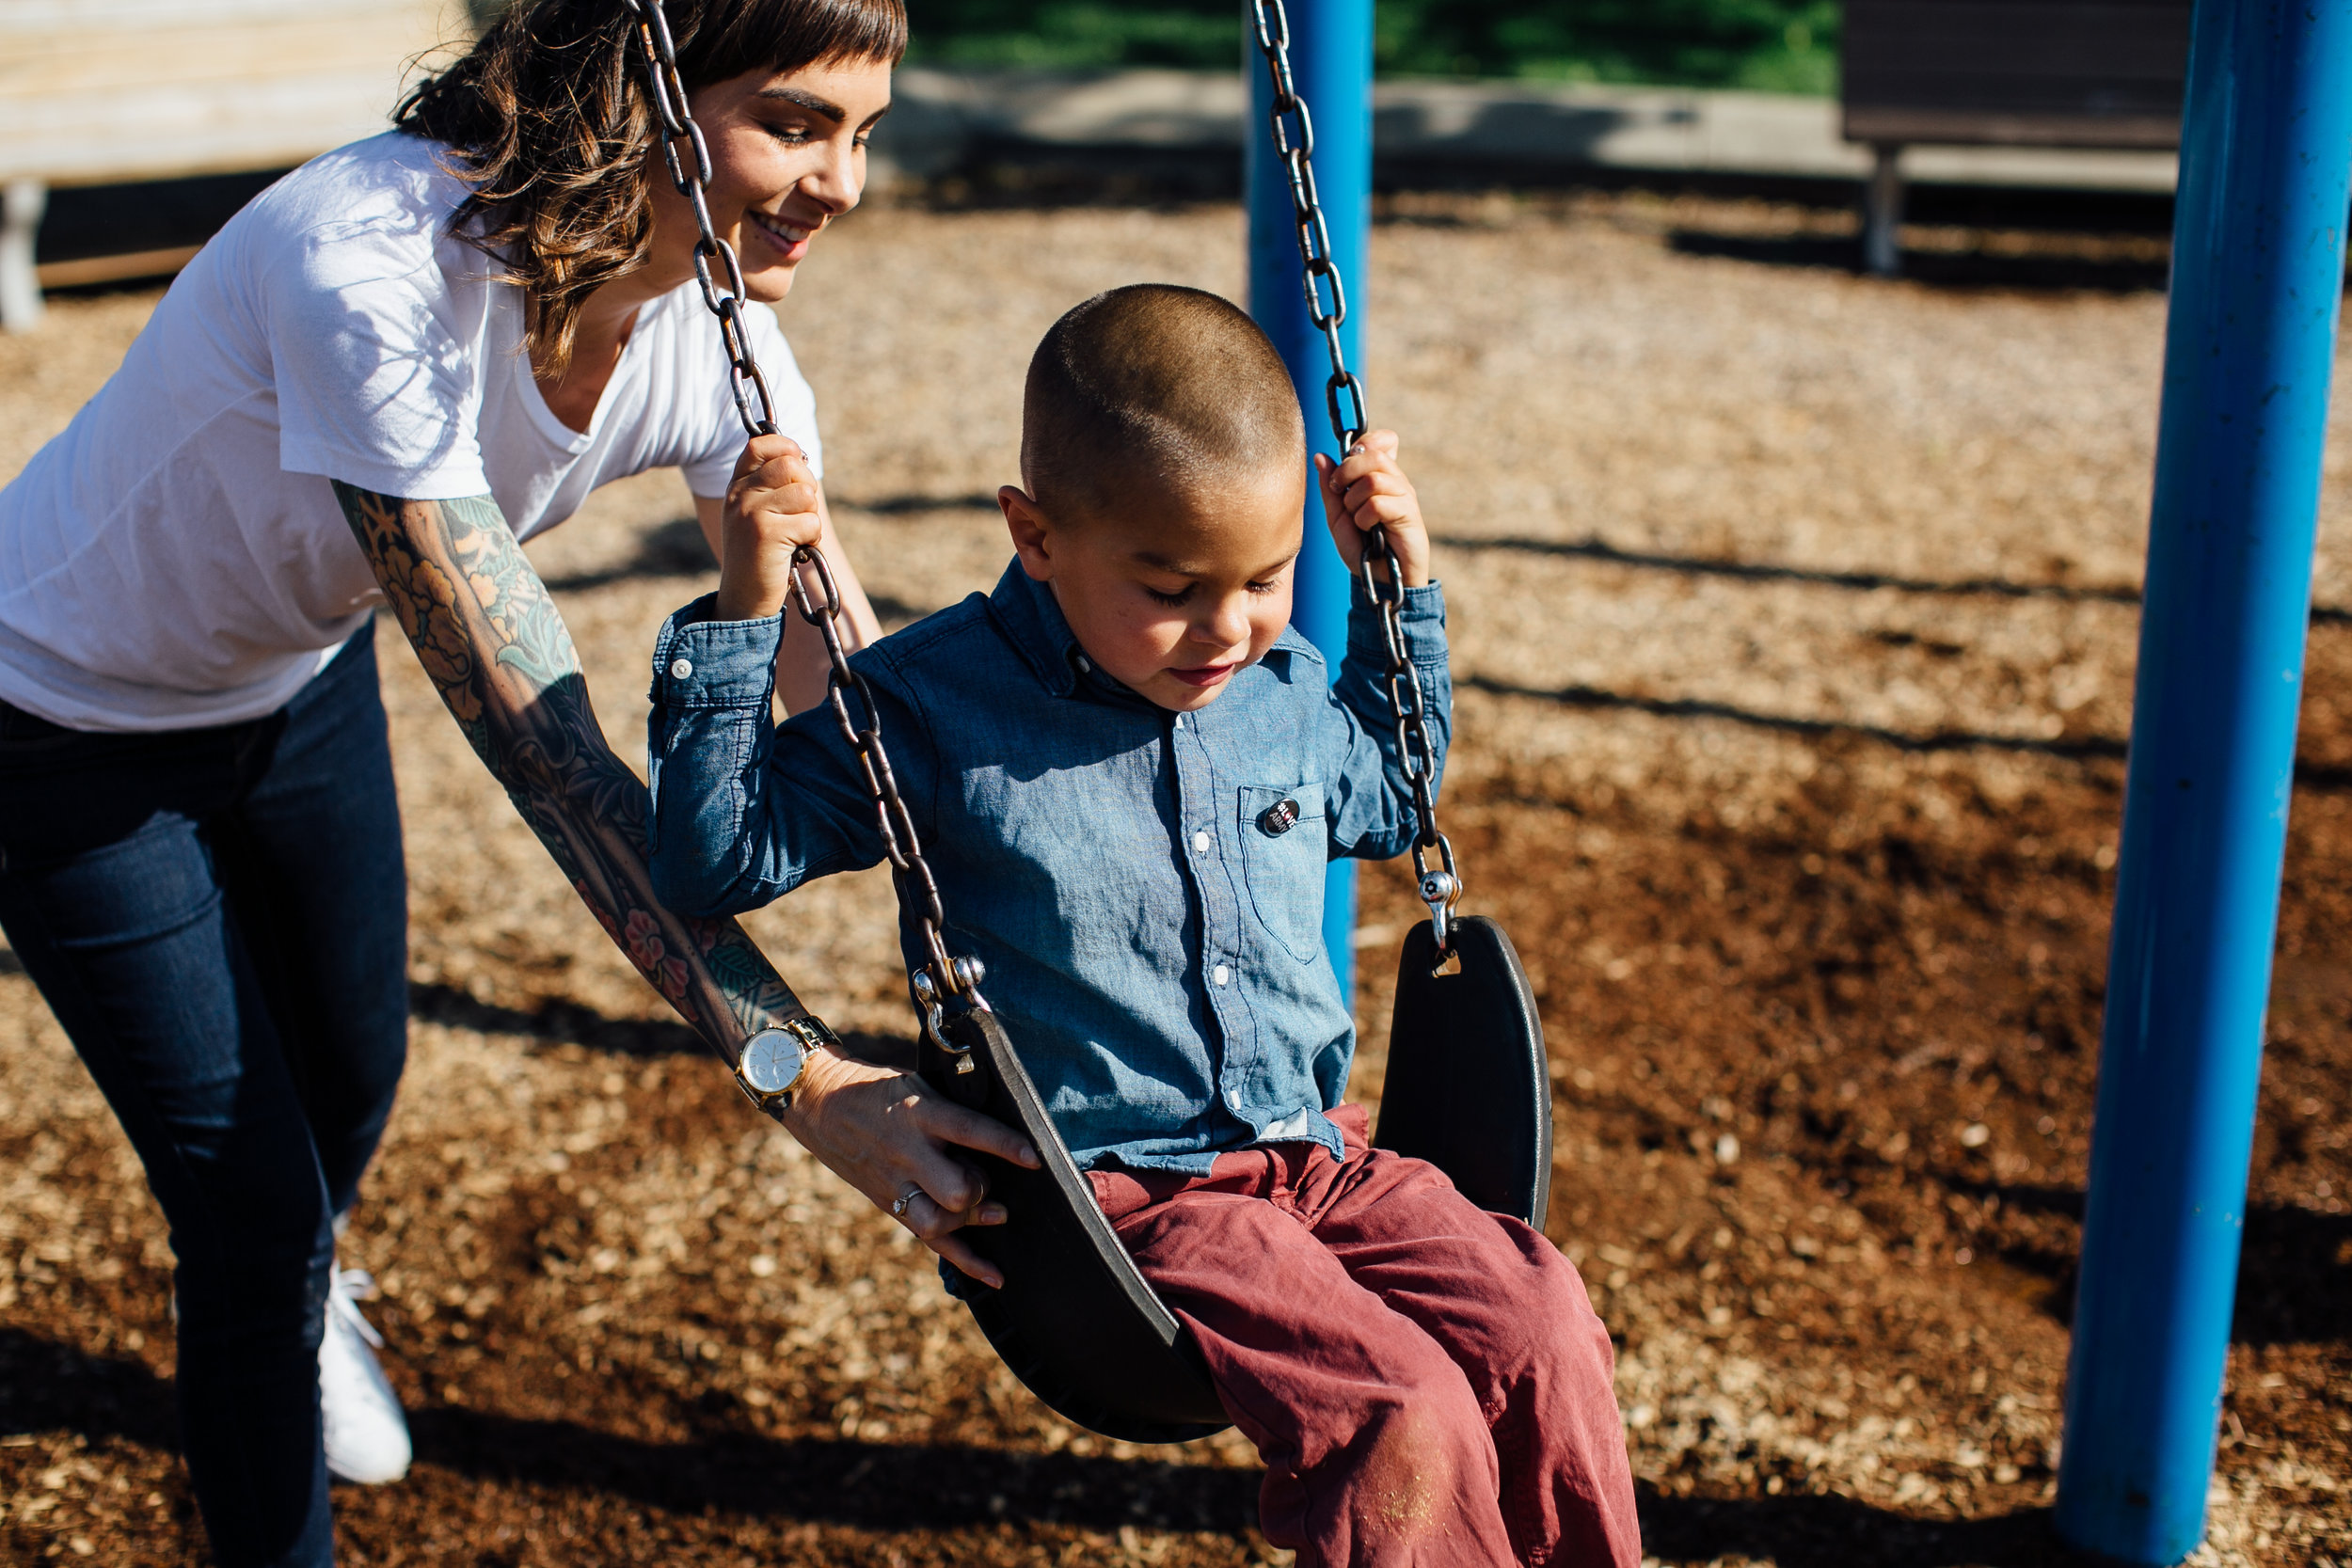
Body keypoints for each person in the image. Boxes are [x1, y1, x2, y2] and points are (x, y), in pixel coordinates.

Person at [0, 2, 1041, 1564]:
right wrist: (804, 1078)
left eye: (865, 133)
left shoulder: (718, 332)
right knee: (249, 1200)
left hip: (289, 675)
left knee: (352, 1075)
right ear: (647, 97)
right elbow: (552, 769)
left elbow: (861, 720)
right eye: (798, 124)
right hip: (63, 715)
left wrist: (1036, 951)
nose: (846, 184)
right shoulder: (374, 270)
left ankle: (292, 1303)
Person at [644, 282, 1644, 1566]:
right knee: (1401, 1406)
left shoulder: (1276, 686)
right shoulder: (929, 708)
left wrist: (1403, 591)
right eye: (1172, 587)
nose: (1227, 627)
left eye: (1267, 579)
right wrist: (744, 601)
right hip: (1123, 1201)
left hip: (1314, 1157)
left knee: (1539, 1318)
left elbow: (1395, 797)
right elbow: (713, 856)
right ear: (1038, 534)